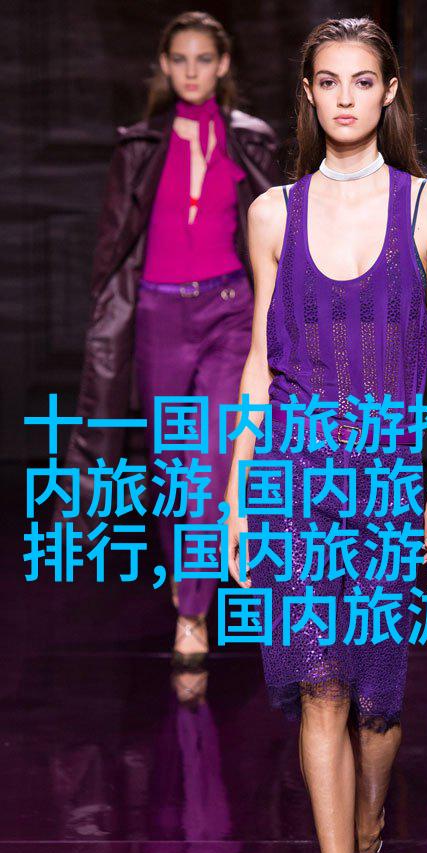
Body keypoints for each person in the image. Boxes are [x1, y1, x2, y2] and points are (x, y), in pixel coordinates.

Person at [225, 16, 427, 853]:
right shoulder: (272, 214)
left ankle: (369, 822)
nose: (345, 98)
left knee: (379, 703)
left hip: (388, 479)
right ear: (308, 94)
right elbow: (257, 359)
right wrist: (238, 490)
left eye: (363, 81)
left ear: (389, 91)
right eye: (328, 81)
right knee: (319, 687)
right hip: (295, 475)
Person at [56, 11, 285, 666]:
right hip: (158, 315)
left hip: (229, 312)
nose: (191, 71)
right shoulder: (136, 146)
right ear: (163, 65)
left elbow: (277, 233)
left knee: (212, 464)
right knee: (171, 469)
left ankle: (192, 612)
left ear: (223, 65)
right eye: (179, 59)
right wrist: (107, 320)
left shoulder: (252, 141)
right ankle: (190, 586)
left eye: (203, 59)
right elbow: (113, 247)